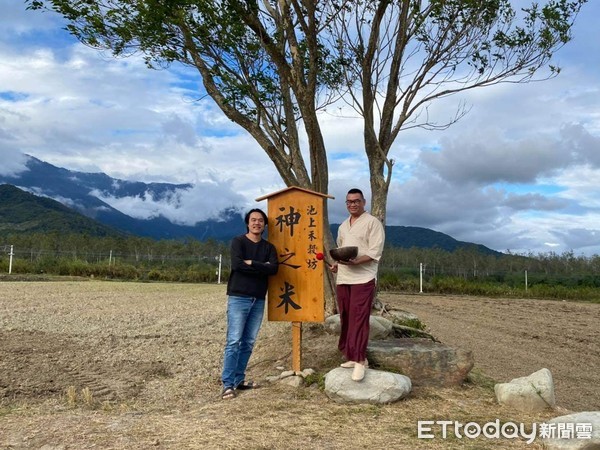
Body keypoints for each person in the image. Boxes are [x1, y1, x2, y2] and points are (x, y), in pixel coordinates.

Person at [221, 208, 279, 400]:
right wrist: (261, 267)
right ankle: (227, 384)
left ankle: (239, 380)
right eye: (253, 220)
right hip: (239, 297)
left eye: (260, 220)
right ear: (248, 223)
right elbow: (237, 266)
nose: (257, 223)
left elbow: (273, 269)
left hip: (259, 299)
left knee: (248, 342)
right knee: (234, 341)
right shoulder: (238, 242)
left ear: (264, 225)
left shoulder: (269, 247)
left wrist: (251, 264)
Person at [330, 188, 385, 382]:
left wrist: (356, 262)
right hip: (344, 278)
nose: (352, 204)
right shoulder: (343, 225)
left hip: (363, 278)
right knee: (346, 317)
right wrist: (337, 264)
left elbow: (374, 252)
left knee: (360, 319)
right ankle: (353, 356)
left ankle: (361, 361)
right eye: (349, 201)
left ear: (364, 202)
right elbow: (341, 249)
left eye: (356, 201)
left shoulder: (373, 223)